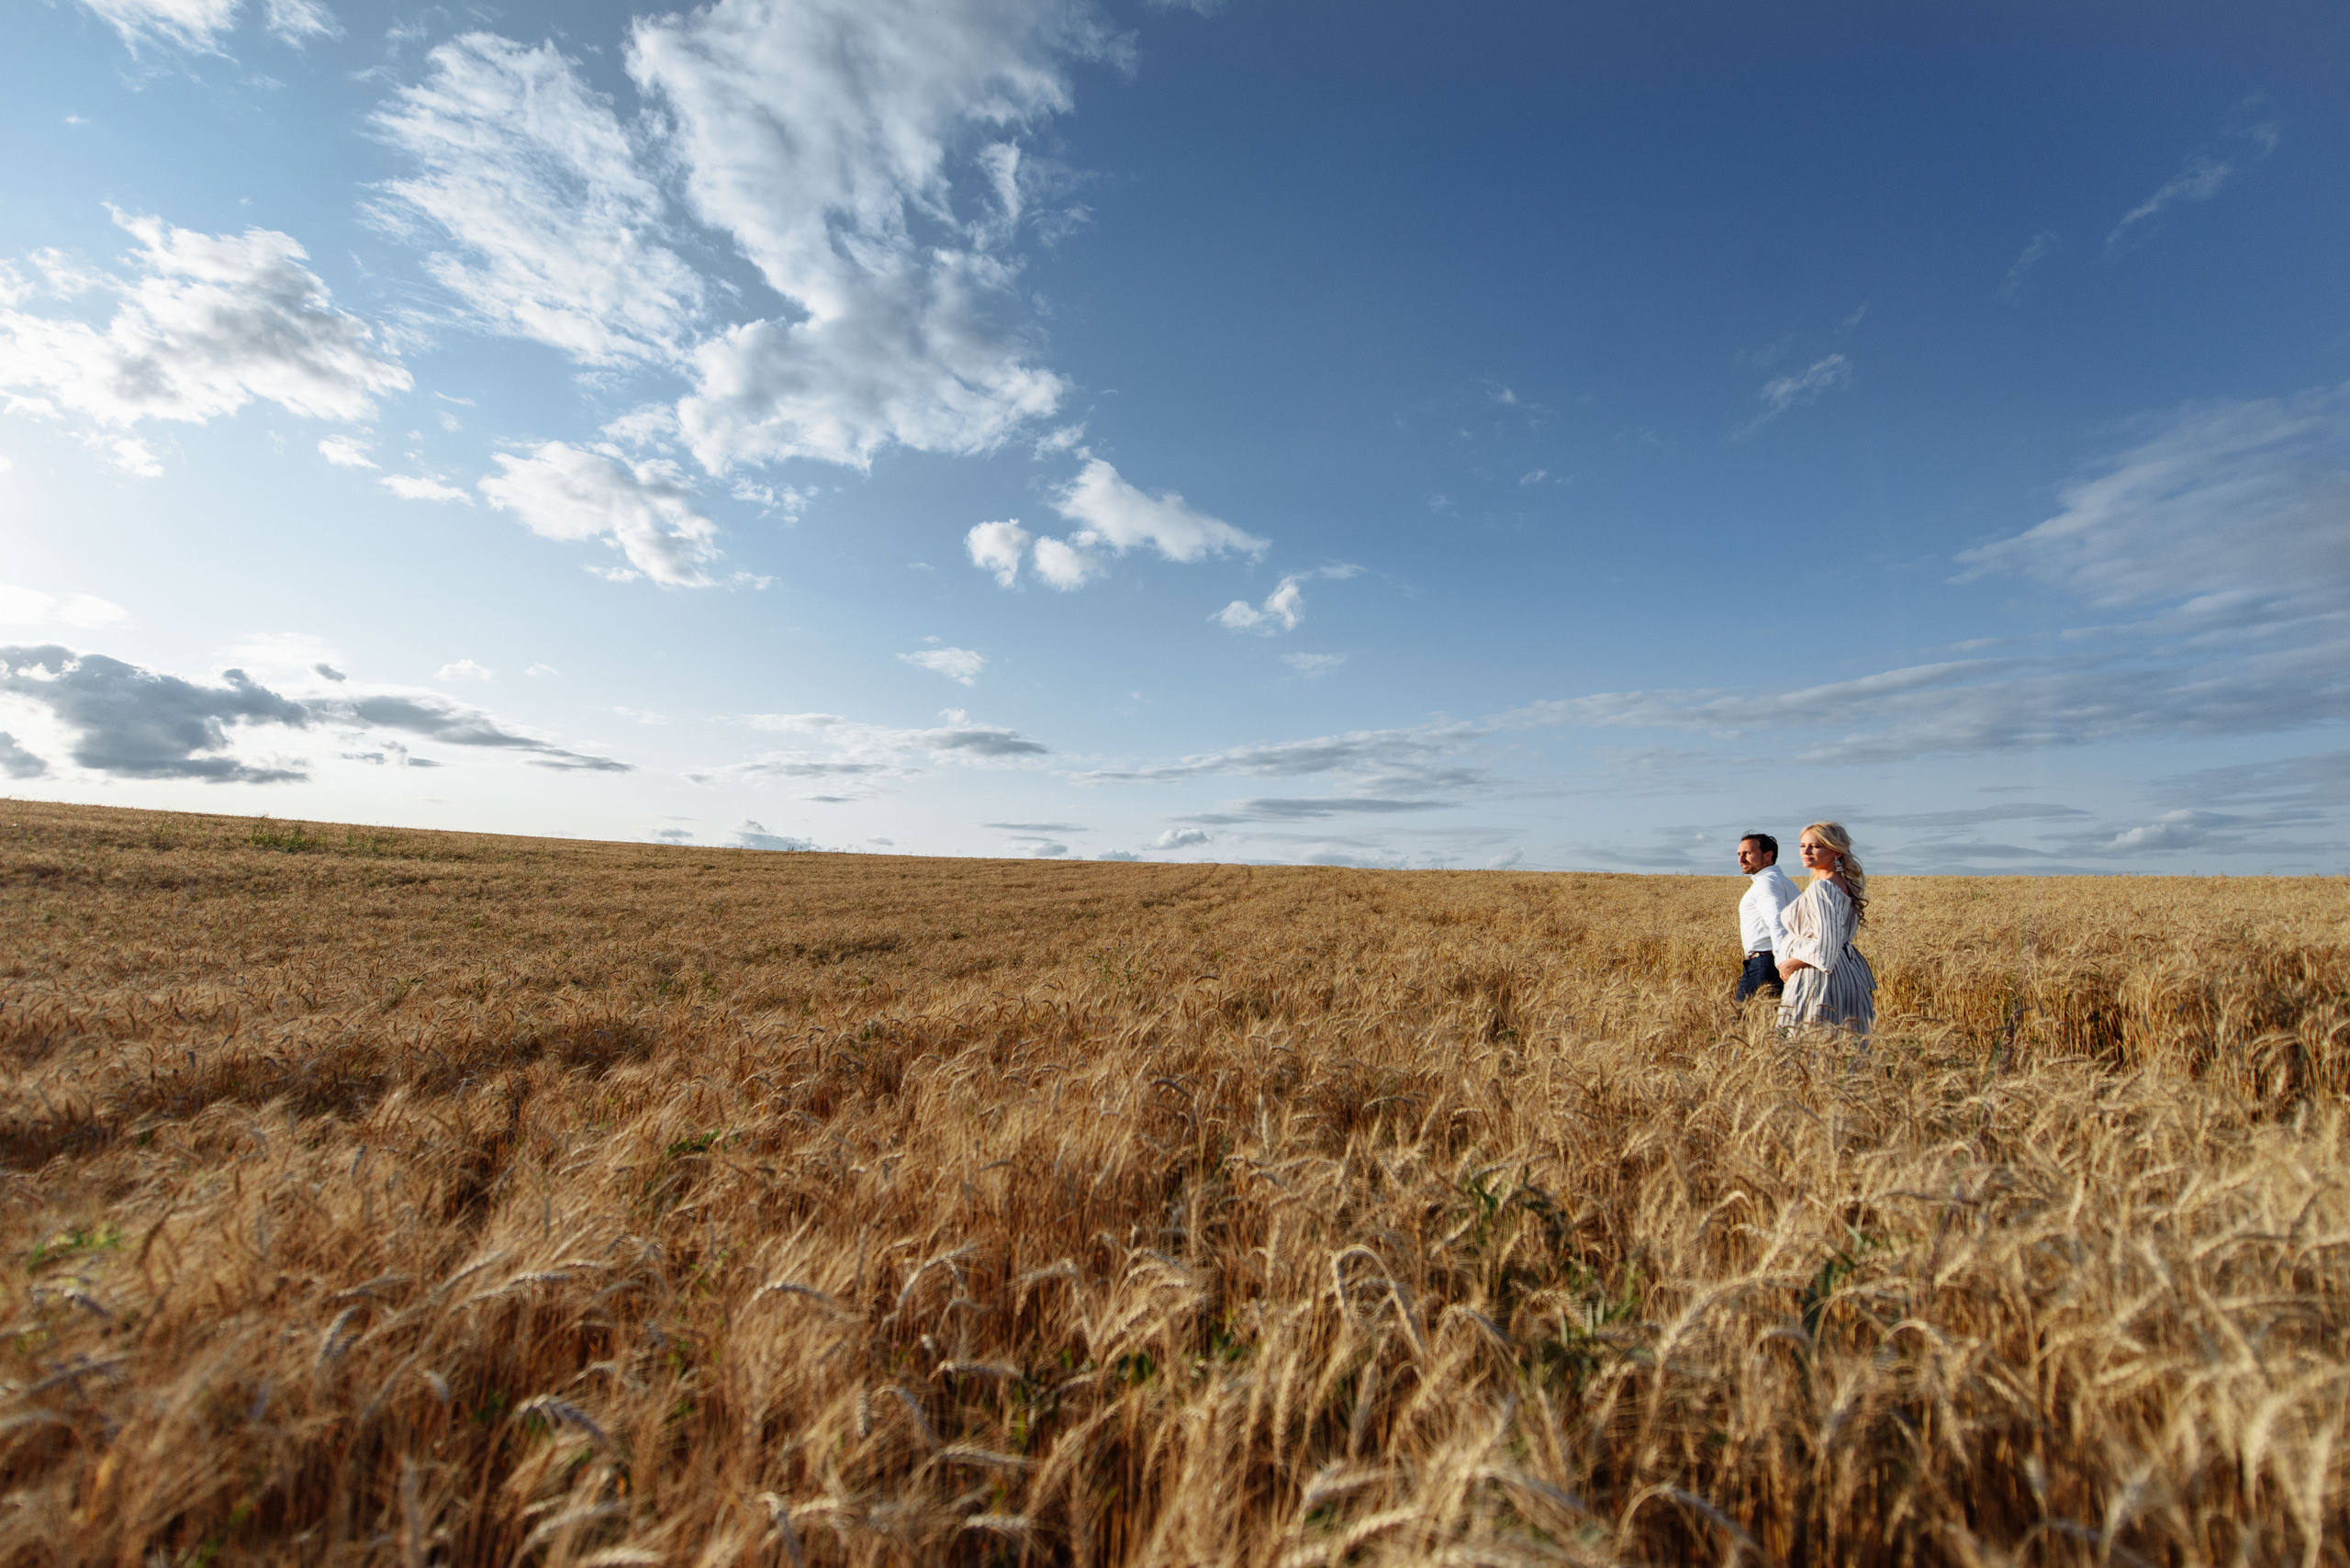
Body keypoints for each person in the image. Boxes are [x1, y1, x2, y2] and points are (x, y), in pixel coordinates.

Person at [1776, 821, 1876, 1035]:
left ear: (1836, 852)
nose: (1806, 851)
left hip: (1818, 978)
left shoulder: (1822, 888)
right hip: (1845, 973)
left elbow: (1826, 945)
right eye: (1803, 845)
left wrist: (1790, 964)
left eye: (1816, 846)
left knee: (1805, 1042)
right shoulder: (1841, 884)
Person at [1734, 833, 1800, 1002]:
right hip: (1771, 961)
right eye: (1739, 854)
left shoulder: (1767, 883)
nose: (1741, 859)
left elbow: (1777, 921)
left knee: (1742, 1022)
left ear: (1768, 855)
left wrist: (1781, 963)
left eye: (1747, 853)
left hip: (1766, 963)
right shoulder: (1782, 881)